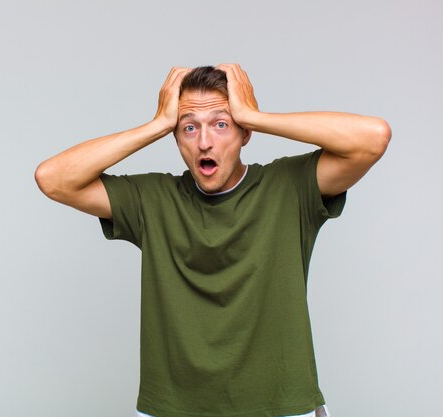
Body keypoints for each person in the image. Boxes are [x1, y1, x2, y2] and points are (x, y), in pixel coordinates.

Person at [35, 64, 391, 417]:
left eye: (221, 124)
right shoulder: (153, 199)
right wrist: (157, 124)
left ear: (244, 133)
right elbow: (53, 179)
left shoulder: (290, 187)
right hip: (173, 410)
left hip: (281, 406)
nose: (204, 141)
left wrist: (255, 115)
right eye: (189, 128)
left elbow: (373, 137)